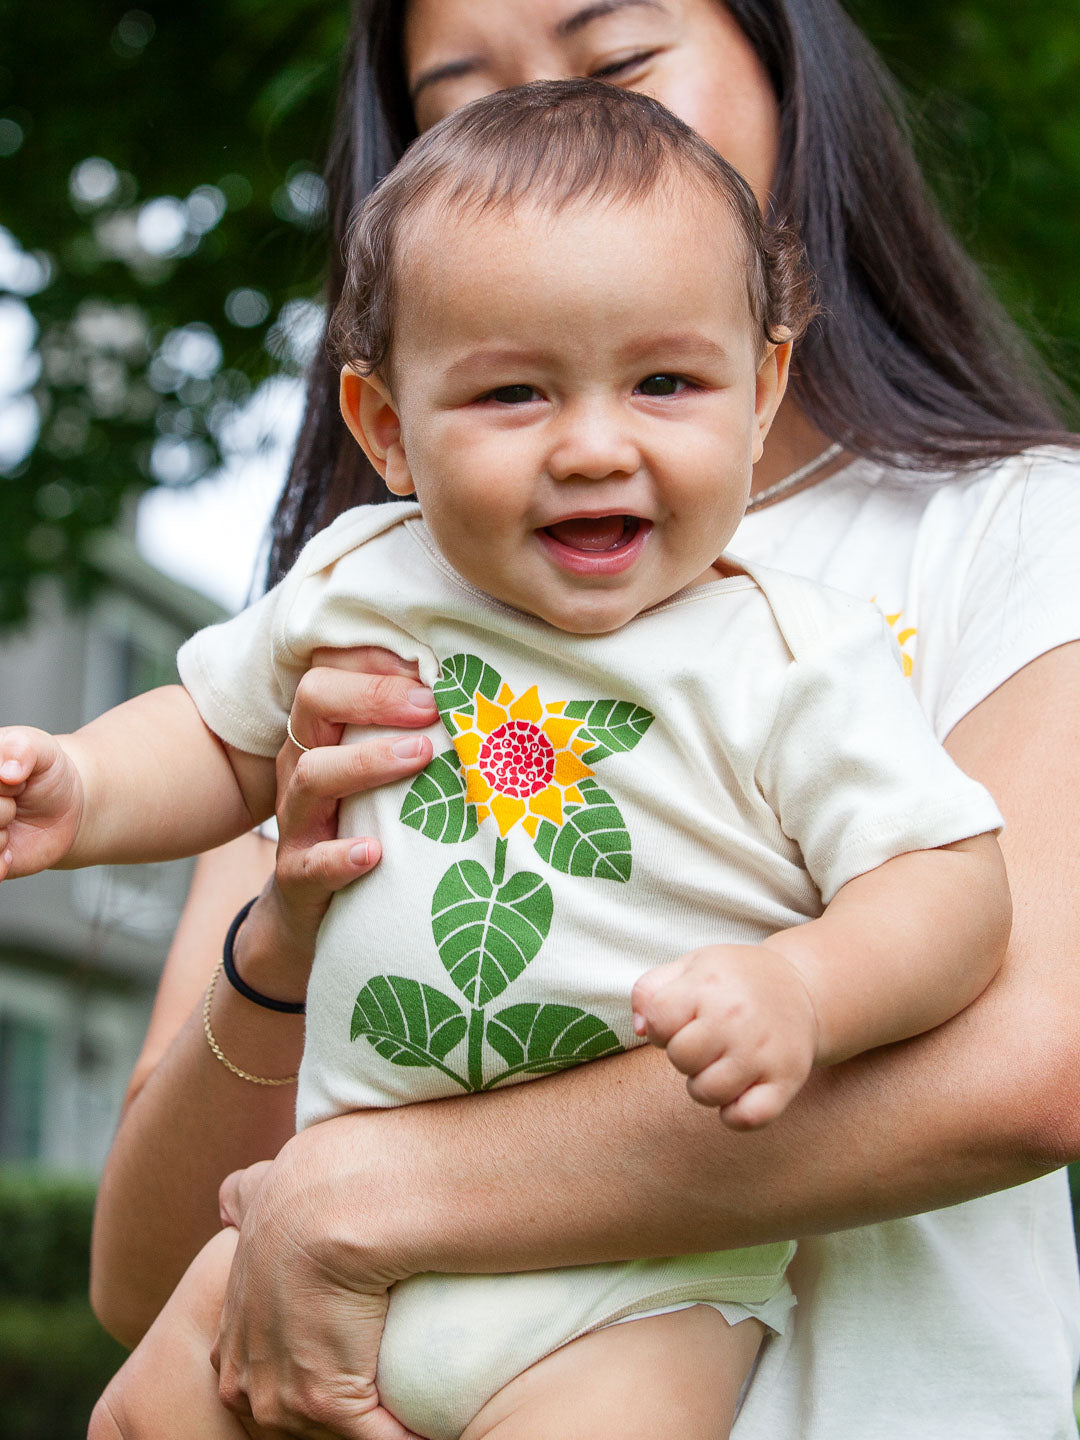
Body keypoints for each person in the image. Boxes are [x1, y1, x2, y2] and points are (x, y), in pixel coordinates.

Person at [87, 2, 1080, 1438]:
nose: (550, 129)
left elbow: (1025, 1068)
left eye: (617, 63)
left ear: (788, 70)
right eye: (458, 97)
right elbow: (142, 1271)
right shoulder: (378, 588)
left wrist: (367, 1191)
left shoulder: (1004, 530)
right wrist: (283, 938)